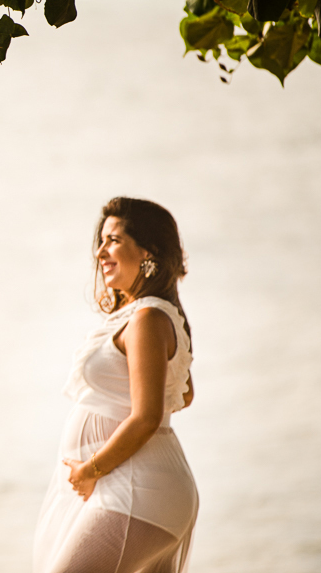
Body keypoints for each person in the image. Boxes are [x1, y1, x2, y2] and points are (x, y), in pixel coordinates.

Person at [32, 197, 198, 573]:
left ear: (148, 251)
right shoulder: (148, 315)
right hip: (130, 485)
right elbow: (183, 394)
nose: (100, 251)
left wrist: (91, 468)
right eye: (101, 240)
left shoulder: (148, 319)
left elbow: (148, 416)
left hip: (136, 488)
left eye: (114, 240)